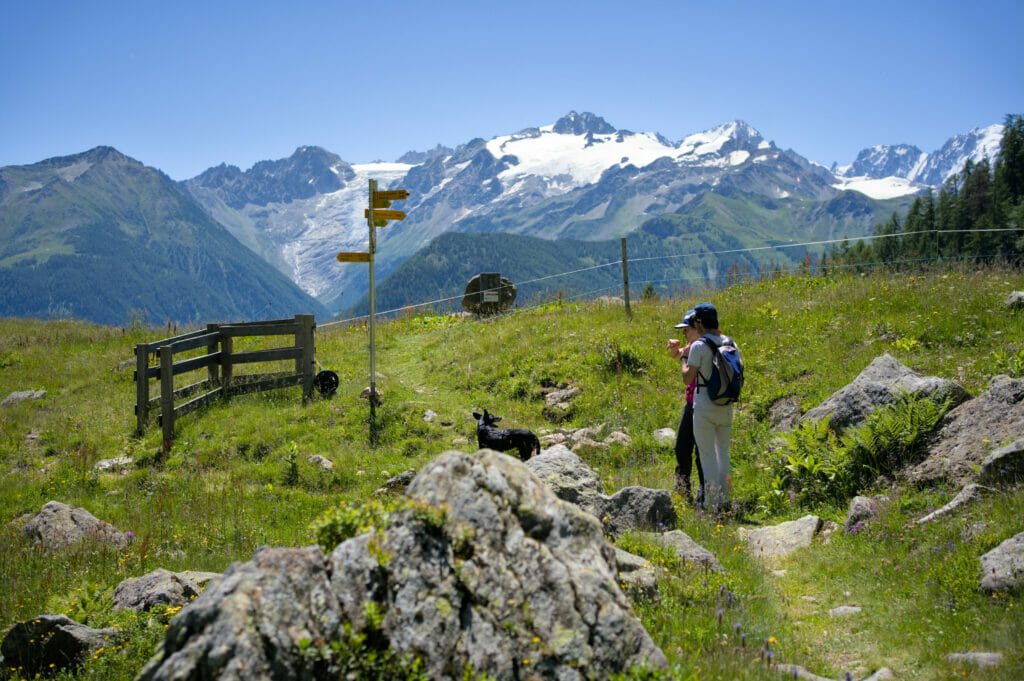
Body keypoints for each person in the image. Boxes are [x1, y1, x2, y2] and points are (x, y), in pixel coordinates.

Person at [675, 302, 738, 514]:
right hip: (726, 405)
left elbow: (687, 377)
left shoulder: (699, 346)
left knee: (707, 455)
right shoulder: (730, 342)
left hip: (704, 406)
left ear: (700, 322)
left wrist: (684, 358)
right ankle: (726, 501)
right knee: (723, 454)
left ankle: (712, 506)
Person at [665, 310, 705, 506]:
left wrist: (682, 358)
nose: (684, 334)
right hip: (691, 404)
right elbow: (677, 354)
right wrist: (675, 348)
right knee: (682, 447)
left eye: (687, 330)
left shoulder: (704, 348)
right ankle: (683, 487)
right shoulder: (692, 346)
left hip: (702, 405)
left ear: (698, 328)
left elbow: (685, 372)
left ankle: (703, 491)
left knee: (700, 450)